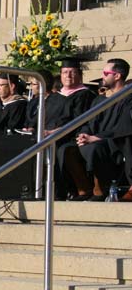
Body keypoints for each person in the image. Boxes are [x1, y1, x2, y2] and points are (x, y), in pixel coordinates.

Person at [63, 59, 132, 200]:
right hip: (94, 138)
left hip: (113, 141)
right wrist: (84, 133)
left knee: (93, 148)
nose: (103, 76)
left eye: (106, 73)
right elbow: (89, 121)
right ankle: (84, 189)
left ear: (117, 76)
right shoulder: (100, 99)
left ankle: (100, 189)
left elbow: (123, 127)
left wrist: (96, 138)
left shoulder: (128, 99)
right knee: (66, 150)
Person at [54, 57, 98, 198]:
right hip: (52, 136)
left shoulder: (85, 95)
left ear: (80, 75)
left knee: (64, 149)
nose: (68, 75)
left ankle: (81, 188)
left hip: (73, 136)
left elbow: (79, 120)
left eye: (72, 72)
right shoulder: (55, 97)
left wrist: (55, 132)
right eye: (65, 72)